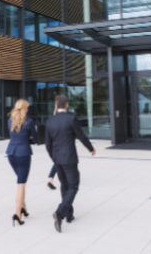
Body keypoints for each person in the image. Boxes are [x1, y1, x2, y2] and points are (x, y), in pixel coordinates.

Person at [45, 94, 95, 233]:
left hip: (58, 160)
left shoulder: (49, 122)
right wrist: (91, 148)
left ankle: (69, 215)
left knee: (64, 185)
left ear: (56, 106)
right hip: (69, 159)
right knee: (73, 186)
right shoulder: (71, 119)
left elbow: (48, 144)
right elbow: (81, 136)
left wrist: (54, 158)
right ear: (67, 105)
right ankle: (60, 212)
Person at [6, 99, 38, 226]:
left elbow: (13, 136)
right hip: (23, 154)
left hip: (11, 154)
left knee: (21, 181)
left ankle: (23, 208)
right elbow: (35, 140)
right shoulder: (29, 122)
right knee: (21, 185)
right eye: (27, 108)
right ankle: (17, 214)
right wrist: (28, 138)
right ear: (25, 108)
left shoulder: (10, 121)